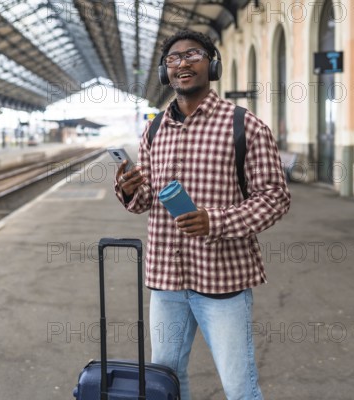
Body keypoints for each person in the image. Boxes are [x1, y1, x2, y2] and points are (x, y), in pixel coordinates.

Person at [114, 29, 290, 400]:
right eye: (173, 59)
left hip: (222, 280)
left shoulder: (246, 125)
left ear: (212, 65)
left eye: (192, 54)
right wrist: (130, 189)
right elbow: (146, 199)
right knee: (165, 382)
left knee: (239, 387)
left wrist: (216, 222)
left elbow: (275, 197)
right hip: (166, 280)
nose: (182, 63)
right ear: (165, 73)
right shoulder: (154, 129)